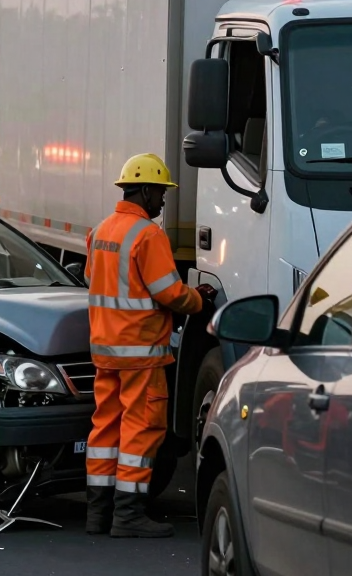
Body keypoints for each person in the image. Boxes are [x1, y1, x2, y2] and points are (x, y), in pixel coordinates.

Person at [83, 153, 217, 538]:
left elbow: (95, 280)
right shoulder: (148, 235)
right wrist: (199, 299)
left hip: (105, 351)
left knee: (105, 429)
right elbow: (168, 292)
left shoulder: (100, 231)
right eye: (159, 193)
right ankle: (128, 515)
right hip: (141, 354)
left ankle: (98, 514)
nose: (162, 201)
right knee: (140, 430)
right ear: (143, 191)